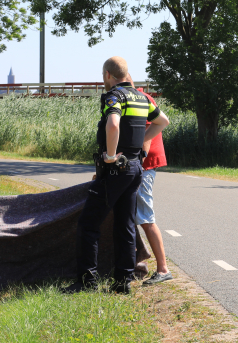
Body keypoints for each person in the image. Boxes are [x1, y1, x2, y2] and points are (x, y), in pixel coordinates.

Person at [68, 57, 170, 294]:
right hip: (135, 169)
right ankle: (122, 282)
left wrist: (111, 156)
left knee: (88, 224)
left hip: (116, 170)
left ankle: (86, 282)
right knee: (125, 225)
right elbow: (162, 122)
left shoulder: (114, 96)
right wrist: (140, 142)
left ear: (108, 75)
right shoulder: (142, 98)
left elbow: (113, 124)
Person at [127, 73, 173, 286]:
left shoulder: (140, 99)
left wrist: (138, 164)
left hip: (144, 167)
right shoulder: (136, 98)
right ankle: (137, 261)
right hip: (140, 166)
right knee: (131, 215)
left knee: (145, 218)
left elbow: (146, 134)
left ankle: (163, 269)